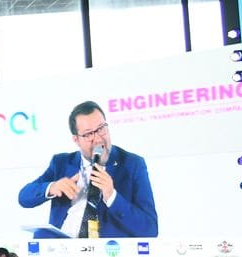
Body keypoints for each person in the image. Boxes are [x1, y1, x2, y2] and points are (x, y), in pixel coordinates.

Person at [17, 100, 158, 238]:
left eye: (101, 128)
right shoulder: (61, 163)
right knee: (40, 238)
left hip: (108, 252)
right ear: (76, 140)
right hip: (63, 248)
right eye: (88, 134)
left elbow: (150, 229)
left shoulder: (132, 164)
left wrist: (112, 196)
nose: (97, 139)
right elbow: (24, 197)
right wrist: (53, 187)